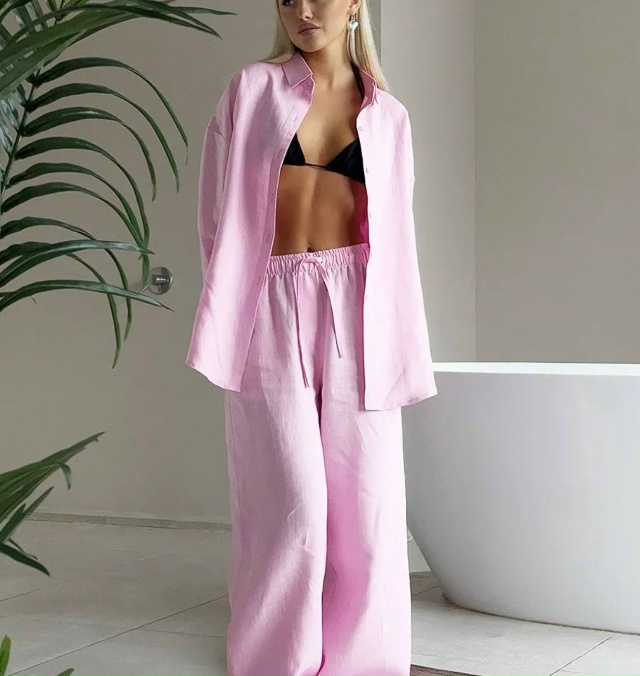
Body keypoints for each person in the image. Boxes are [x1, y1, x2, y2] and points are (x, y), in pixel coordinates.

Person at [185, 1, 438, 674]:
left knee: (366, 506)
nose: (301, 9)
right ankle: (276, 660)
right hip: (269, 304)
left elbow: (398, 238)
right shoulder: (251, 91)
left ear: (355, 1)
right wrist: (230, 307)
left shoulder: (389, 117)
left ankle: (364, 664)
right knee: (288, 502)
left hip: (360, 310)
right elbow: (216, 214)